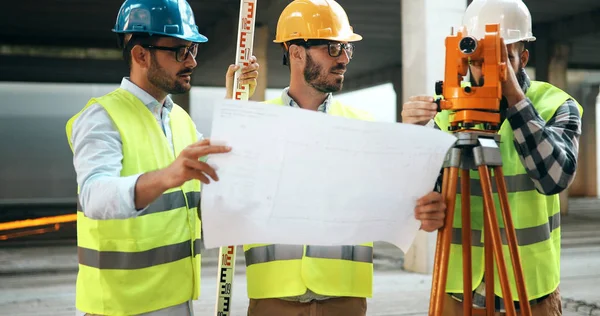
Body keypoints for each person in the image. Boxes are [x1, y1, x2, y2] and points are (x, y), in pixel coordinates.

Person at [223, 1, 446, 315]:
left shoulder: (364, 126)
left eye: (346, 50)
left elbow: (401, 204)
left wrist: (425, 208)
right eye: (333, 48)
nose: (343, 58)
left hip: (345, 300)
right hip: (272, 299)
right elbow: (220, 189)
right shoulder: (255, 123)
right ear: (296, 51)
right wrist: (232, 111)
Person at [64, 0, 259, 315]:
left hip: (177, 300)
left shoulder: (179, 119)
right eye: (180, 51)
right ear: (140, 54)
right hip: (120, 307)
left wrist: (234, 100)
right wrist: (169, 175)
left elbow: (214, 167)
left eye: (193, 50)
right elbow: (94, 197)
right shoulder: (101, 116)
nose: (192, 62)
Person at [401, 0, 583, 315]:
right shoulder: (448, 112)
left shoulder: (555, 104)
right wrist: (411, 137)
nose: (485, 70)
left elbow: (554, 178)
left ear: (523, 57)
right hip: (459, 293)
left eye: (502, 57)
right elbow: (422, 196)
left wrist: (515, 98)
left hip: (529, 294)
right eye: (477, 59)